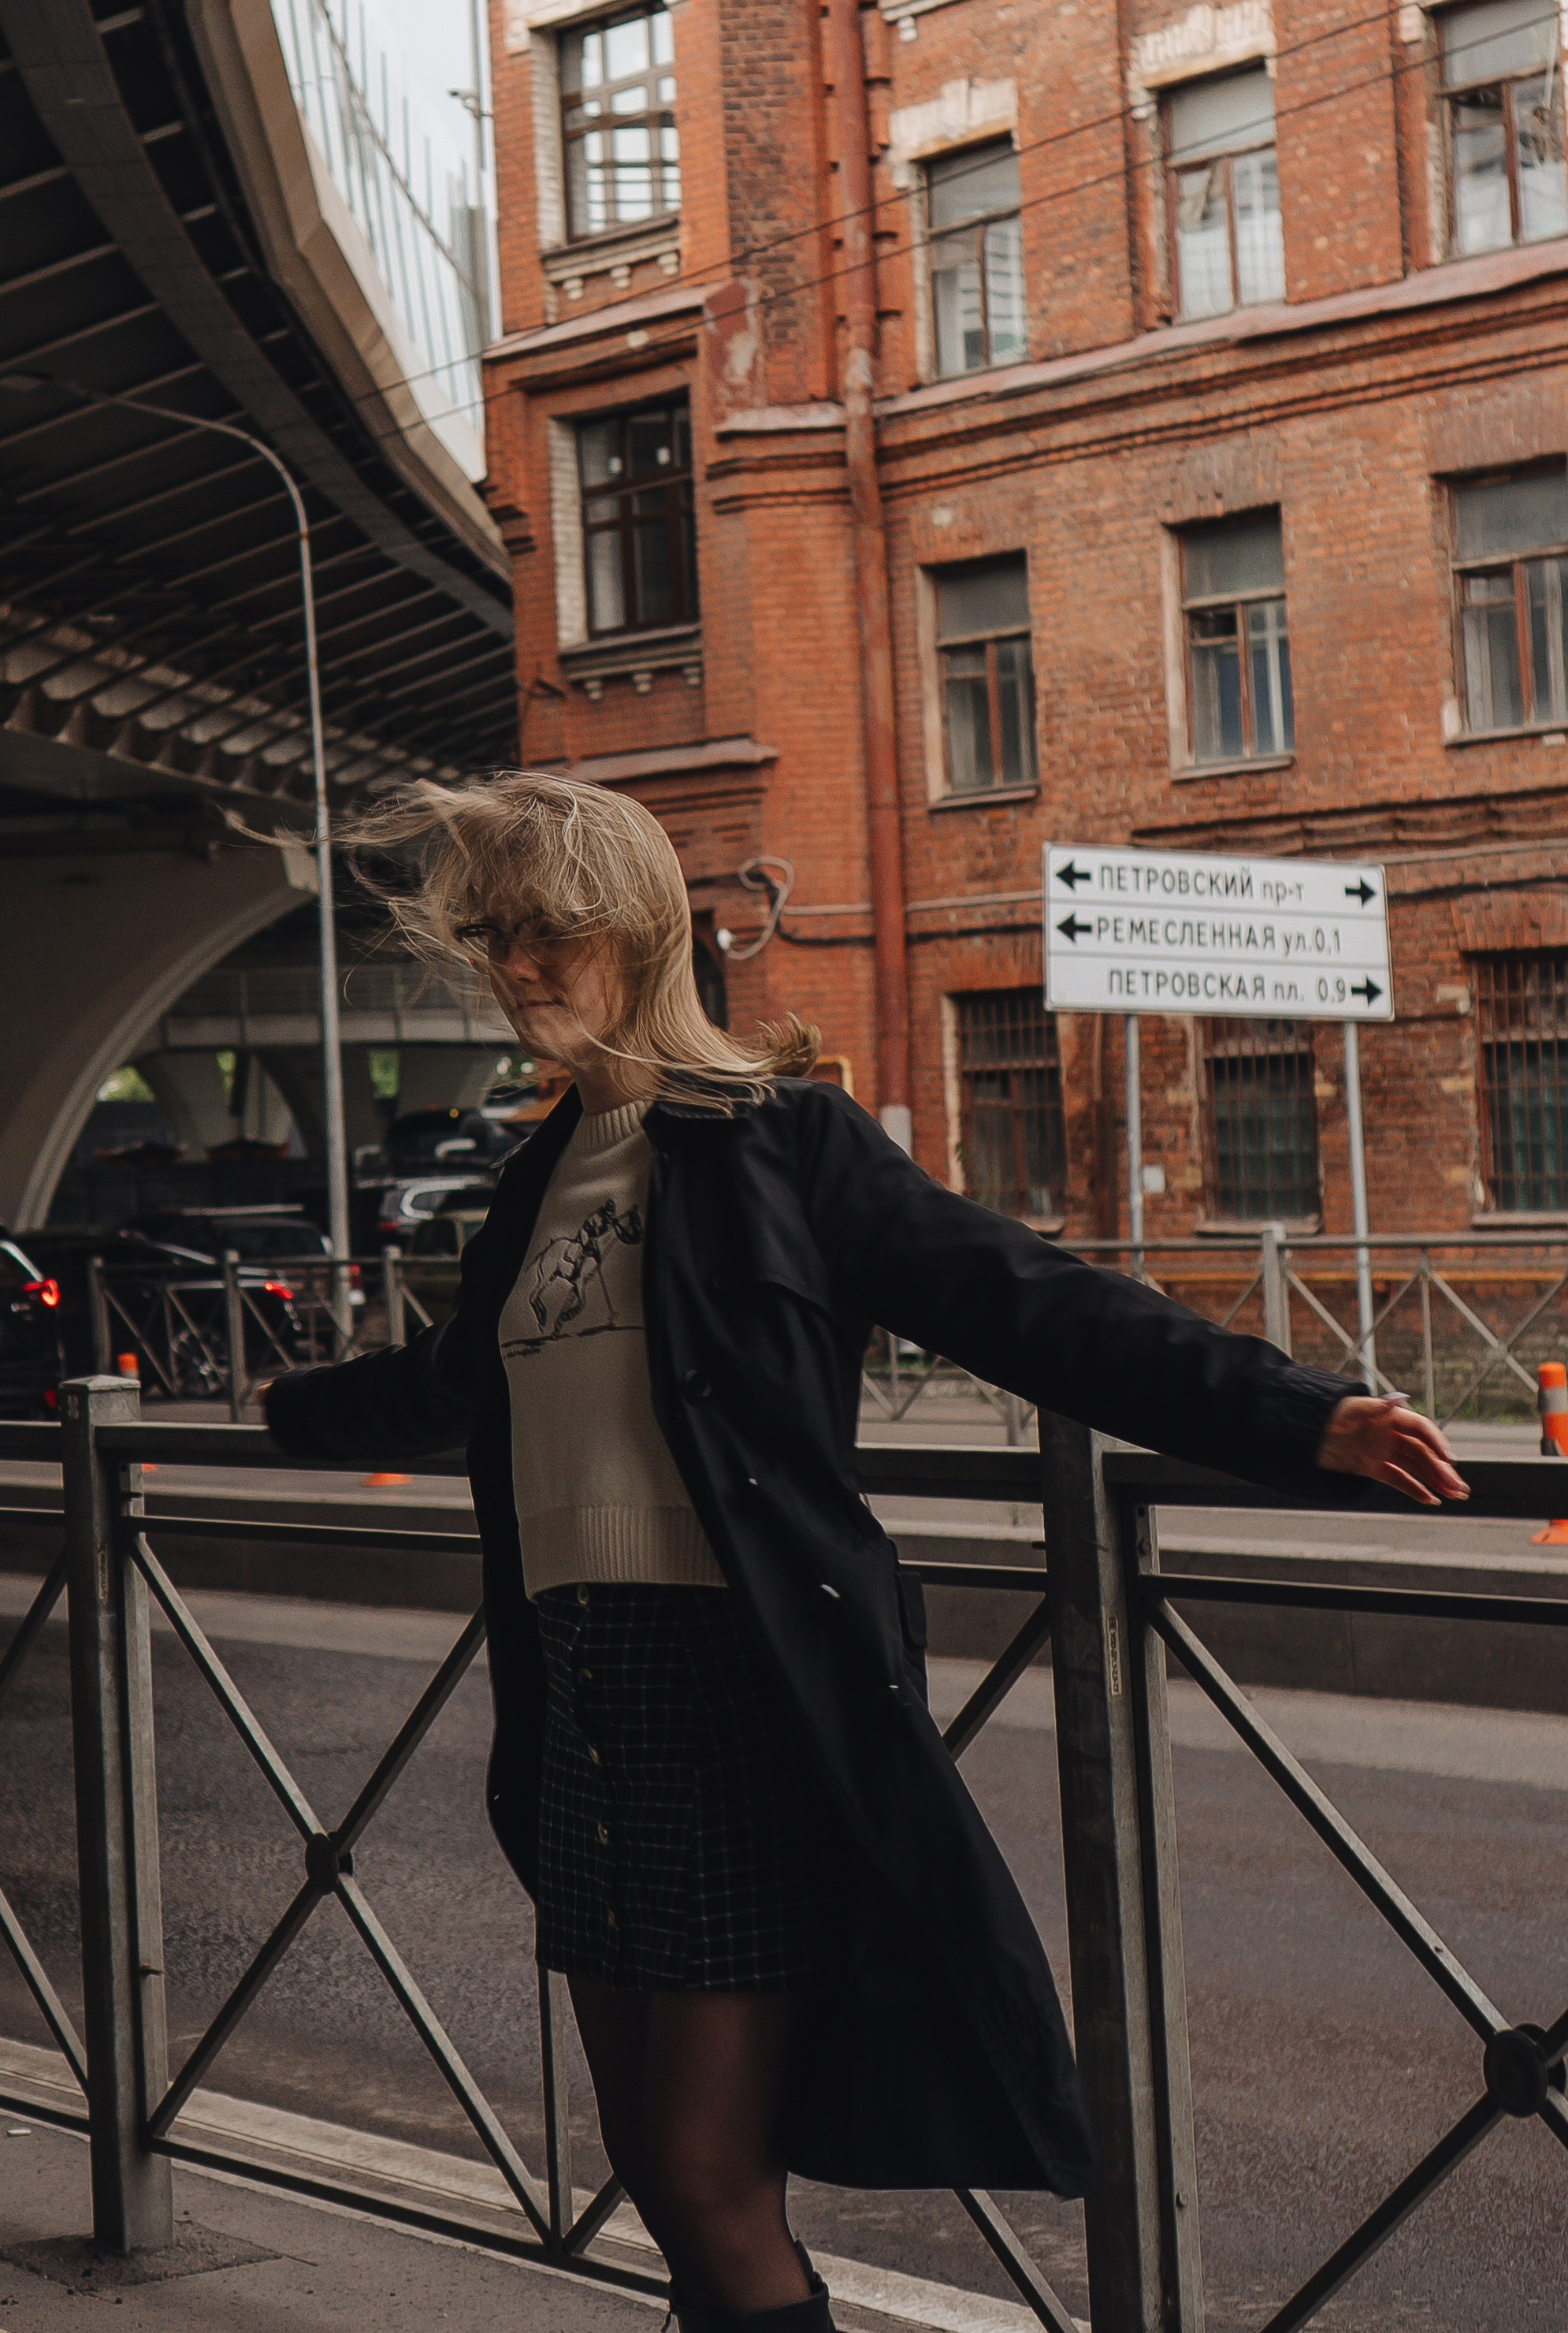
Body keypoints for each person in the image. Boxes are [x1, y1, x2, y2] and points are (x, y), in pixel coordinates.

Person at [264, 775, 1464, 2333]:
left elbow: (1022, 1298)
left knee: (707, 2178)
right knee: (646, 2161)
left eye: (545, 936)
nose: (517, 972)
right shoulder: (532, 1184)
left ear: (636, 934)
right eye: (494, 942)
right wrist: (271, 1413)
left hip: (733, 1689)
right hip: (572, 1704)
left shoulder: (779, 1142)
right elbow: (447, 1383)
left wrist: (1298, 1411)